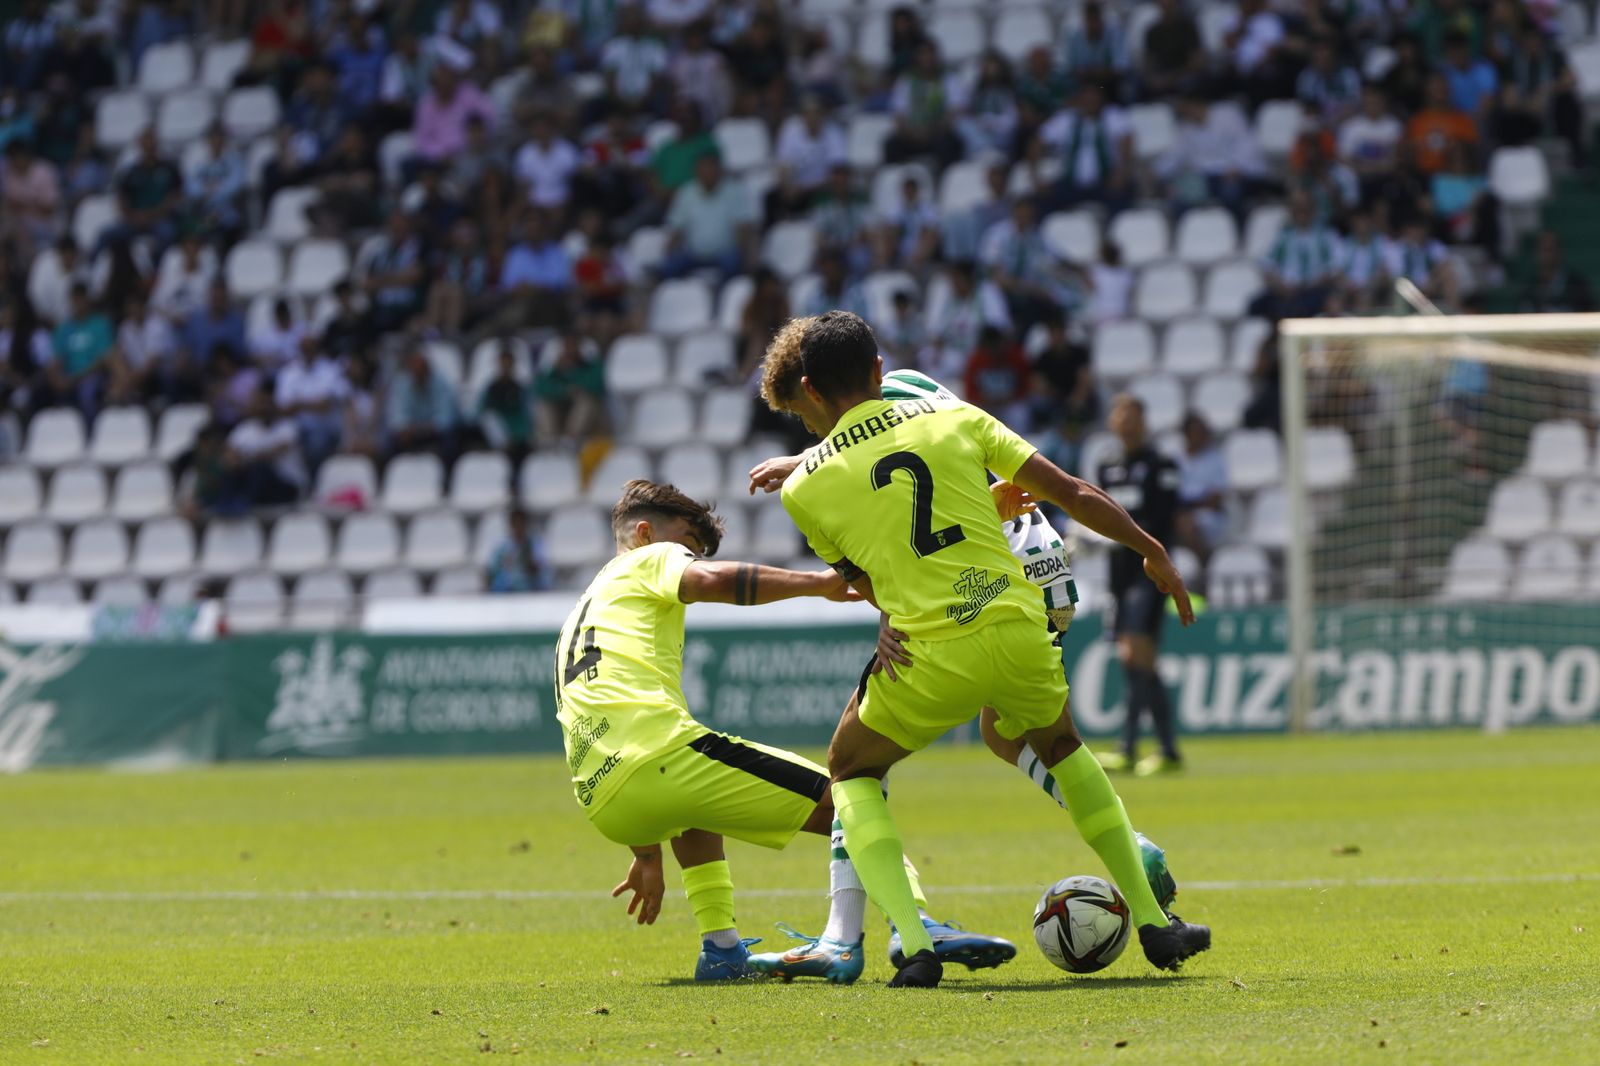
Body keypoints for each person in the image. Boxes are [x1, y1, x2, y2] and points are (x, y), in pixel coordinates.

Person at [762, 311, 1208, 987]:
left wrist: (889, 614)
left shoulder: (803, 487)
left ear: (811, 392)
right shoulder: (954, 417)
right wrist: (1152, 551)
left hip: (930, 655)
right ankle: (1153, 922)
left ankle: (915, 946)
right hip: (1019, 626)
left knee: (849, 768)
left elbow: (863, 575)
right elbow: (1072, 492)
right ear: (879, 370)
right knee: (1060, 747)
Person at [556, 479, 1008, 983]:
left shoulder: (586, 608)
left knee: (693, 808)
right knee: (852, 794)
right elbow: (712, 581)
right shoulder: (647, 559)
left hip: (604, 799)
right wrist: (817, 584)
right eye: (688, 545)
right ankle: (914, 925)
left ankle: (721, 951)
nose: (691, 559)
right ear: (644, 532)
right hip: (656, 757)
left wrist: (644, 849)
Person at [1096, 394, 1184, 776]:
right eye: (1121, 416)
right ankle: (1167, 751)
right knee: (1136, 659)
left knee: (1135, 653)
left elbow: (1163, 522)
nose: (1126, 423)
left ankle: (1129, 747)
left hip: (1149, 576)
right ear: (1113, 422)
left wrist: (1119, 537)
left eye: (1133, 416)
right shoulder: (1108, 467)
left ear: (1144, 422)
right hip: (1118, 577)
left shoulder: (1161, 465)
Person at [1175, 414, 1228, 563]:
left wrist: (1188, 507)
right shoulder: (1175, 460)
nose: (1202, 436)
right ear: (1187, 434)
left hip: (1209, 515)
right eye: (1197, 432)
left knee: (1186, 524)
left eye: (1203, 432)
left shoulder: (1215, 460)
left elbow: (1216, 499)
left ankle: (1204, 563)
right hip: (1179, 513)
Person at [486, 507, 551, 592]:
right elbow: (492, 571)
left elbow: (543, 570)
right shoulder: (502, 548)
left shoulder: (535, 545)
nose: (518, 527)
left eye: (521, 523)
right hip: (507, 590)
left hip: (530, 589)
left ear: (526, 525)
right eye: (515, 524)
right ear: (511, 525)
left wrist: (531, 566)